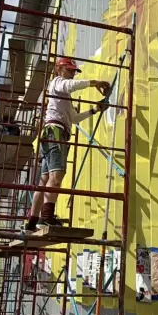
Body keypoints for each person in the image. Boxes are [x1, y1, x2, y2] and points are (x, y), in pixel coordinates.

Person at [25, 57, 110, 232]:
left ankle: (32, 221)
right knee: (57, 176)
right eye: (70, 70)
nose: (72, 74)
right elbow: (69, 86)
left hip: (52, 133)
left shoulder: (62, 97)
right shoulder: (57, 82)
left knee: (45, 180)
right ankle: (46, 218)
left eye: (73, 71)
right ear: (59, 69)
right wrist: (95, 83)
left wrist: (94, 110)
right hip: (55, 133)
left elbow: (74, 118)